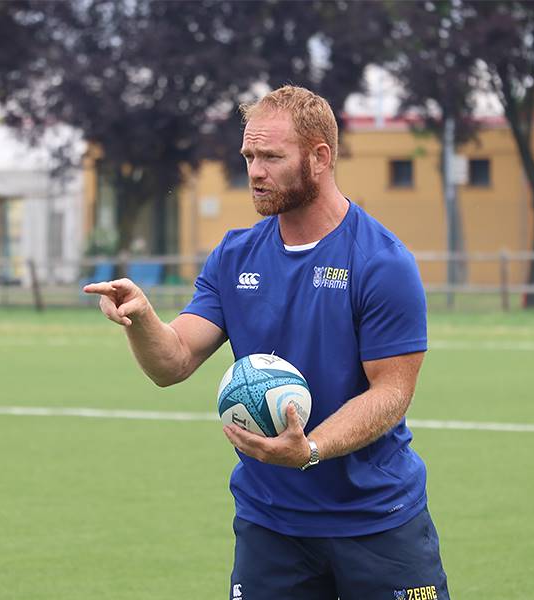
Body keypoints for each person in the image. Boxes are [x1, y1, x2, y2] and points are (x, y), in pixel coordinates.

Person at [84, 85, 449, 600]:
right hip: (270, 525)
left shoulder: (381, 262)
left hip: (377, 521)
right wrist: (142, 319)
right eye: (249, 156)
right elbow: (174, 362)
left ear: (320, 157)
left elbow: (391, 392)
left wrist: (312, 449)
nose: (255, 171)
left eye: (271, 156)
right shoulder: (234, 256)